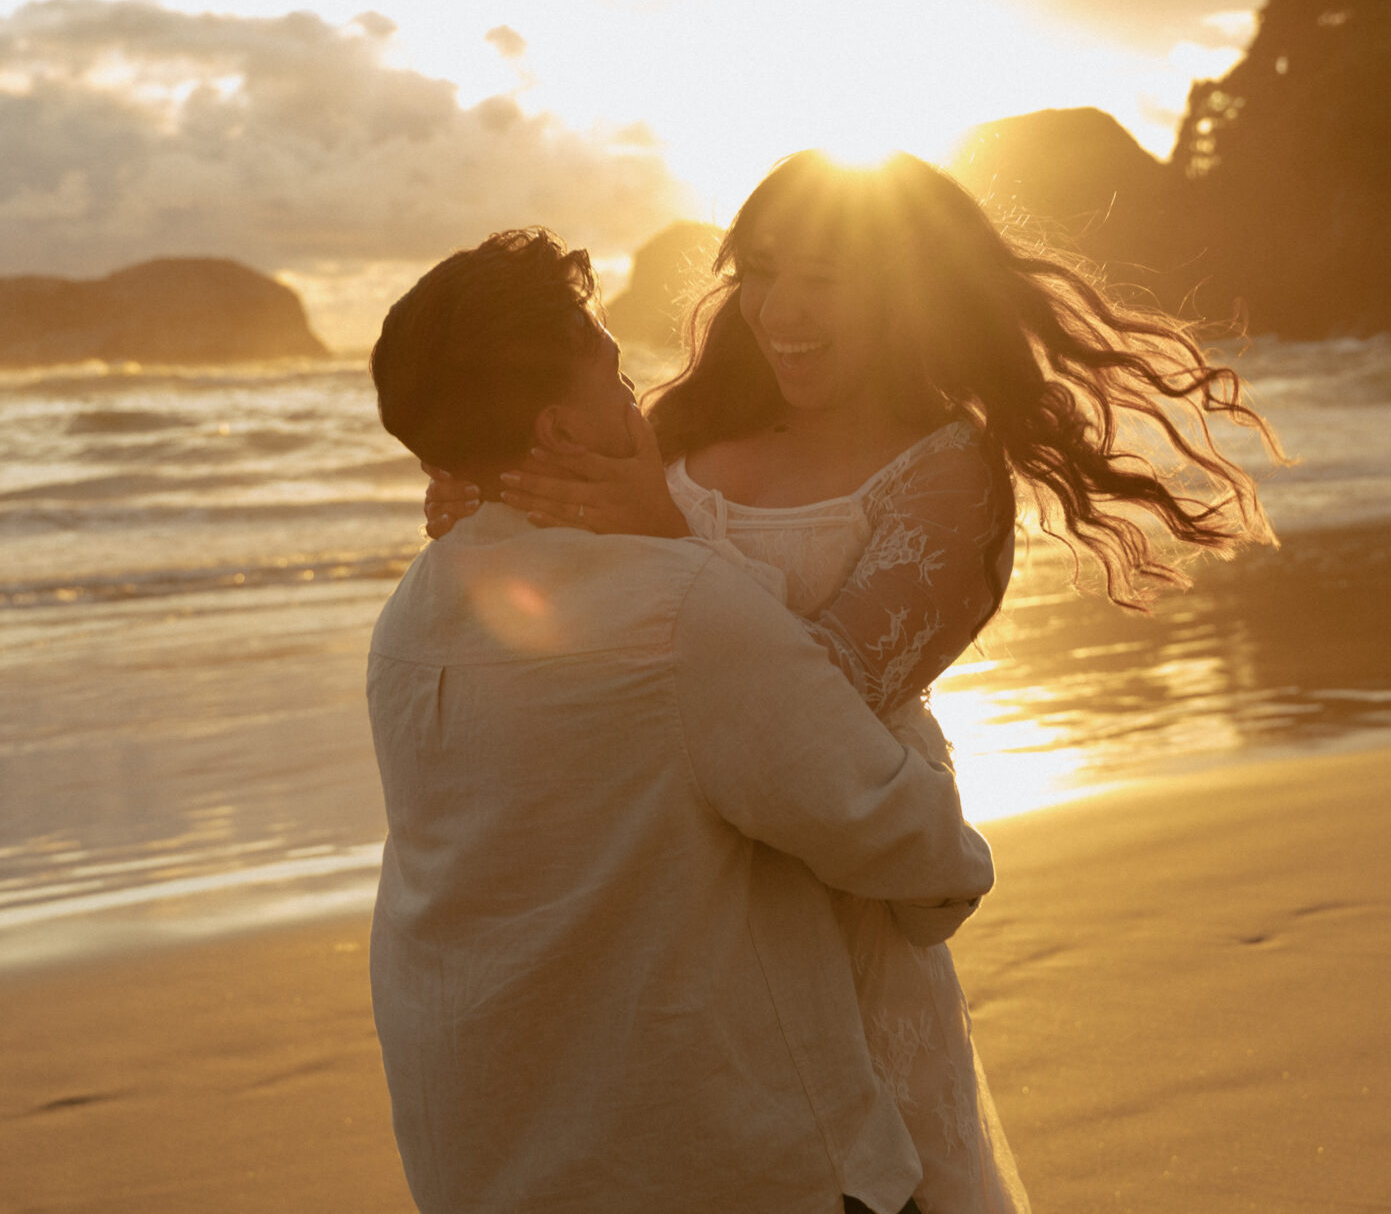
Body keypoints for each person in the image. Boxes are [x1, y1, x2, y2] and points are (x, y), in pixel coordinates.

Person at [426, 152, 1282, 1214]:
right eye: (764, 270)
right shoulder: (678, 430)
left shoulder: (944, 472)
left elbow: (813, 704)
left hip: (833, 915)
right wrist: (484, 511)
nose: (783, 309)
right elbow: (564, 627)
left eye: (827, 276)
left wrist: (653, 530)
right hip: (668, 910)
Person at [366, 226, 996, 1214]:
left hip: (481, 1152)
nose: (637, 406)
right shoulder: (683, 607)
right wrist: (930, 797)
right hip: (734, 1155)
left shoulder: (409, 616)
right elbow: (914, 848)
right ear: (563, 431)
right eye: (615, 379)